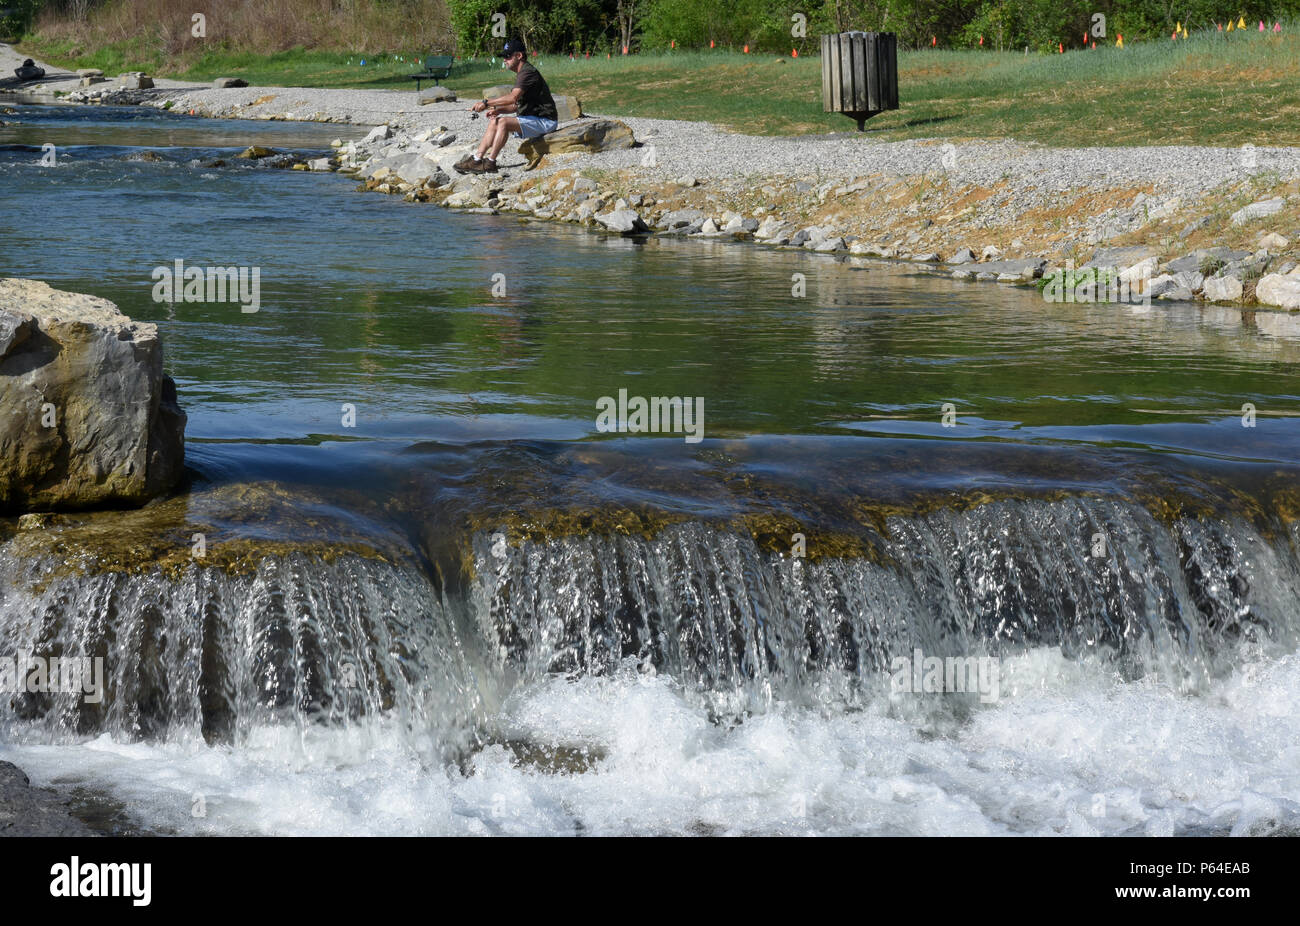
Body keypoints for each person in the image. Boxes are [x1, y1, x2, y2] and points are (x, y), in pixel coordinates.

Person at [455, 38, 557, 174]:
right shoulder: (523, 73)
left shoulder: (528, 73)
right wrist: (498, 110)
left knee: (503, 122)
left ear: (519, 56)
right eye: (504, 56)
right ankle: (476, 159)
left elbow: (512, 98)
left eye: (507, 56)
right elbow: (516, 106)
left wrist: (486, 103)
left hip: (546, 121)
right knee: (495, 121)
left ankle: (491, 162)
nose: (504, 59)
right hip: (534, 119)